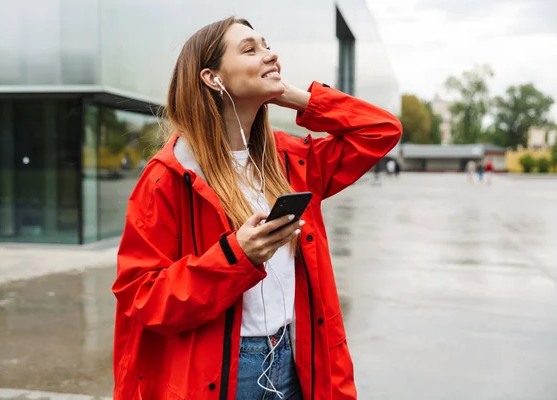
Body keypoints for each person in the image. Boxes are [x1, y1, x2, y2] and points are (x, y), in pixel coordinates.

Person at [112, 17, 402, 400]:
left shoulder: (291, 159)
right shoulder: (169, 176)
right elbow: (142, 296)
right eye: (250, 49)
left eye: (267, 45)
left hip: (298, 357)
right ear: (213, 78)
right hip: (225, 372)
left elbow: (380, 130)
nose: (271, 54)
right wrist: (236, 257)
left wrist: (300, 98)